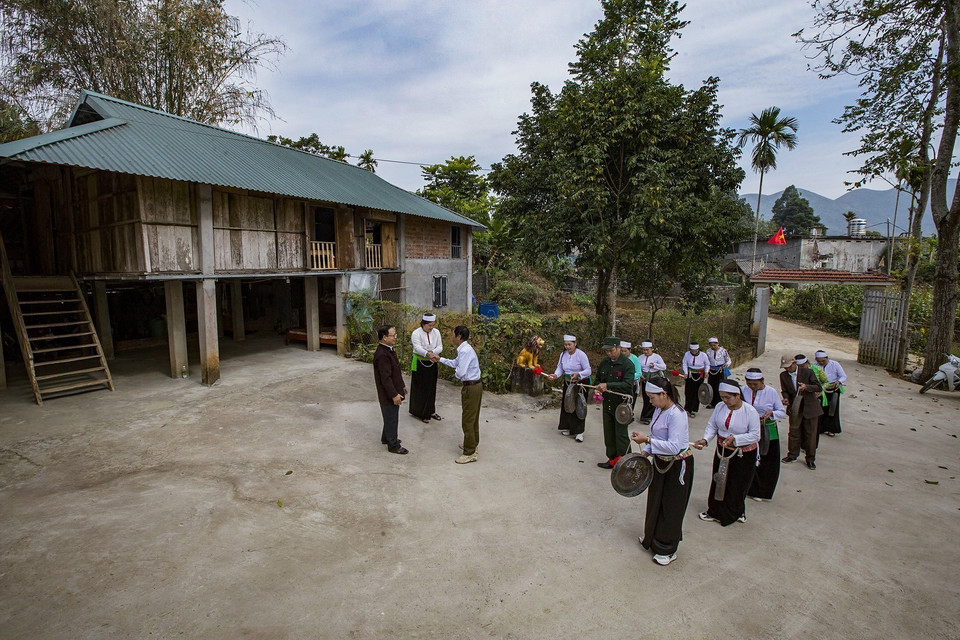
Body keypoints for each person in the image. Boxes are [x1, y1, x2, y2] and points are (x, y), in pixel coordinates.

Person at [630, 377, 693, 566]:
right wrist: (646, 451)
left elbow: (674, 446)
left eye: (652, 397)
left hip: (677, 464)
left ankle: (668, 548)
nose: (650, 402)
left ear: (664, 394)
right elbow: (657, 436)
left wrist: (648, 442)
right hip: (659, 463)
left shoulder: (677, 414)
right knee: (655, 500)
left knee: (671, 505)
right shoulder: (659, 410)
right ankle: (652, 537)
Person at [693, 379, 760, 526]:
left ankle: (736, 511)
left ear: (737, 395)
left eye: (727, 397)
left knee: (738, 483)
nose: (724, 400)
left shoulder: (750, 411)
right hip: (723, 450)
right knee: (719, 480)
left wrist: (735, 438)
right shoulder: (719, 407)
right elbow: (712, 426)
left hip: (742, 453)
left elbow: (755, 435)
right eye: (722, 397)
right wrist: (705, 440)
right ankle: (715, 511)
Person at [432, 325, 482, 464]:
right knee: (472, 417)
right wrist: (440, 359)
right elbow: (455, 363)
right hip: (474, 385)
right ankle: (472, 444)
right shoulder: (464, 350)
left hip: (471, 387)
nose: (451, 337)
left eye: (453, 334)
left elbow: (460, 372)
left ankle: (469, 452)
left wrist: (457, 372)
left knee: (468, 419)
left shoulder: (465, 351)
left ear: (459, 336)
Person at [743, 368, 786, 501]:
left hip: (766, 428)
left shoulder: (771, 392)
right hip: (748, 428)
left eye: (755, 384)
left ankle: (761, 491)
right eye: (750, 384)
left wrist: (771, 413)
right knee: (748, 458)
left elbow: (782, 411)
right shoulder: (744, 390)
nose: (752, 387)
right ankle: (747, 487)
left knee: (766, 460)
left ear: (762, 381)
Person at [594, 336, 636, 469]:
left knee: (621, 433)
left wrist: (608, 385)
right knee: (609, 432)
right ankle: (612, 458)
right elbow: (598, 380)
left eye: (611, 350)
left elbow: (628, 384)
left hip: (622, 405)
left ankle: (625, 461)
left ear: (619, 348)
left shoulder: (627, 364)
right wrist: (598, 389)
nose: (609, 353)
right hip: (608, 403)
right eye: (607, 351)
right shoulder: (604, 362)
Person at [779, 354, 823, 470]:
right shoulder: (783, 376)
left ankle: (810, 459)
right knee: (794, 432)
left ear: (795, 364)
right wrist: (785, 398)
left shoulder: (807, 372)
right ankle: (792, 455)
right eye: (785, 367)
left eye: (789, 367)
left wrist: (806, 387)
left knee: (810, 435)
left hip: (810, 407)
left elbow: (818, 387)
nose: (787, 369)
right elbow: (784, 390)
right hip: (795, 407)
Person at [546, 334, 591, 442]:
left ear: (575, 344)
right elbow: (560, 368)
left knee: (579, 406)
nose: (567, 347)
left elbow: (588, 370)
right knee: (568, 405)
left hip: (580, 384)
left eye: (570, 344)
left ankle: (579, 432)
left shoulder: (581, 355)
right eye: (566, 344)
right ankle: (569, 428)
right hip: (568, 383)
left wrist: (578, 374)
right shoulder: (563, 354)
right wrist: (555, 375)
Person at [373, 325, 409, 455]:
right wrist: (394, 394)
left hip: (394, 389)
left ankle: (386, 437)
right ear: (384, 337)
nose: (395, 338)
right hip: (388, 394)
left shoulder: (388, 350)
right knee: (392, 417)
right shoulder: (382, 354)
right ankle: (393, 445)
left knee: (389, 416)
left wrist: (402, 385)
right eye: (392, 335)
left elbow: (395, 371)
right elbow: (386, 379)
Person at [409, 313, 442, 424]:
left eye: (433, 325)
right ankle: (421, 412)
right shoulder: (416, 333)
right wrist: (427, 354)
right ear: (423, 324)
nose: (431, 328)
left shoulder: (436, 332)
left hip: (432, 362)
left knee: (432, 387)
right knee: (421, 388)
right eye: (429, 325)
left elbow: (440, 346)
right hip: (420, 362)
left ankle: (431, 411)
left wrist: (432, 353)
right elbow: (417, 347)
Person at [815, 350, 846, 437]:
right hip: (821, 389)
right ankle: (820, 428)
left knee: (833, 409)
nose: (821, 363)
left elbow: (843, 376)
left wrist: (839, 382)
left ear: (827, 358)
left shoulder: (835, 364)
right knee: (821, 409)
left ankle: (831, 429)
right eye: (819, 361)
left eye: (823, 361)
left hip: (833, 388)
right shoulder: (814, 366)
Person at [637, 341, 667, 424]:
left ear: (651, 349)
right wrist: (640, 375)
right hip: (645, 379)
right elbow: (638, 367)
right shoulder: (640, 357)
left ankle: (650, 416)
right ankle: (644, 416)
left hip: (654, 379)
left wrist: (655, 365)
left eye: (647, 350)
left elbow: (664, 367)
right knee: (646, 397)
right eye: (644, 350)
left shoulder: (657, 357)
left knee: (653, 397)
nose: (645, 352)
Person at [681, 343, 710, 418]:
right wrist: (686, 373)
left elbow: (707, 364)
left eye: (695, 350)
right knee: (688, 391)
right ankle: (687, 408)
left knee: (697, 391)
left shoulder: (703, 355)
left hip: (699, 374)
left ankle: (694, 409)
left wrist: (706, 371)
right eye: (692, 350)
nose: (694, 352)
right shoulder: (687, 354)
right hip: (690, 374)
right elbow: (684, 363)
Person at [705, 337, 732, 408]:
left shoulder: (723, 351)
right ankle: (712, 402)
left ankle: (720, 402)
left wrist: (727, 364)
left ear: (718, 344)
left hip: (720, 370)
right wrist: (706, 371)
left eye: (714, 345)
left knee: (720, 386)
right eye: (711, 345)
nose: (713, 347)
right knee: (711, 386)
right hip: (712, 370)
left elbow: (728, 360)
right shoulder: (708, 351)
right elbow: (706, 362)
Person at [622, 341, 641, 408]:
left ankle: (629, 414)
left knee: (630, 401)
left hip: (631, 383)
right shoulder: (620, 358)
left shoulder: (635, 359)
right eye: (622, 351)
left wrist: (629, 378)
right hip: (621, 383)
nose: (623, 353)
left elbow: (638, 373)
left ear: (629, 350)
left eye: (625, 351)